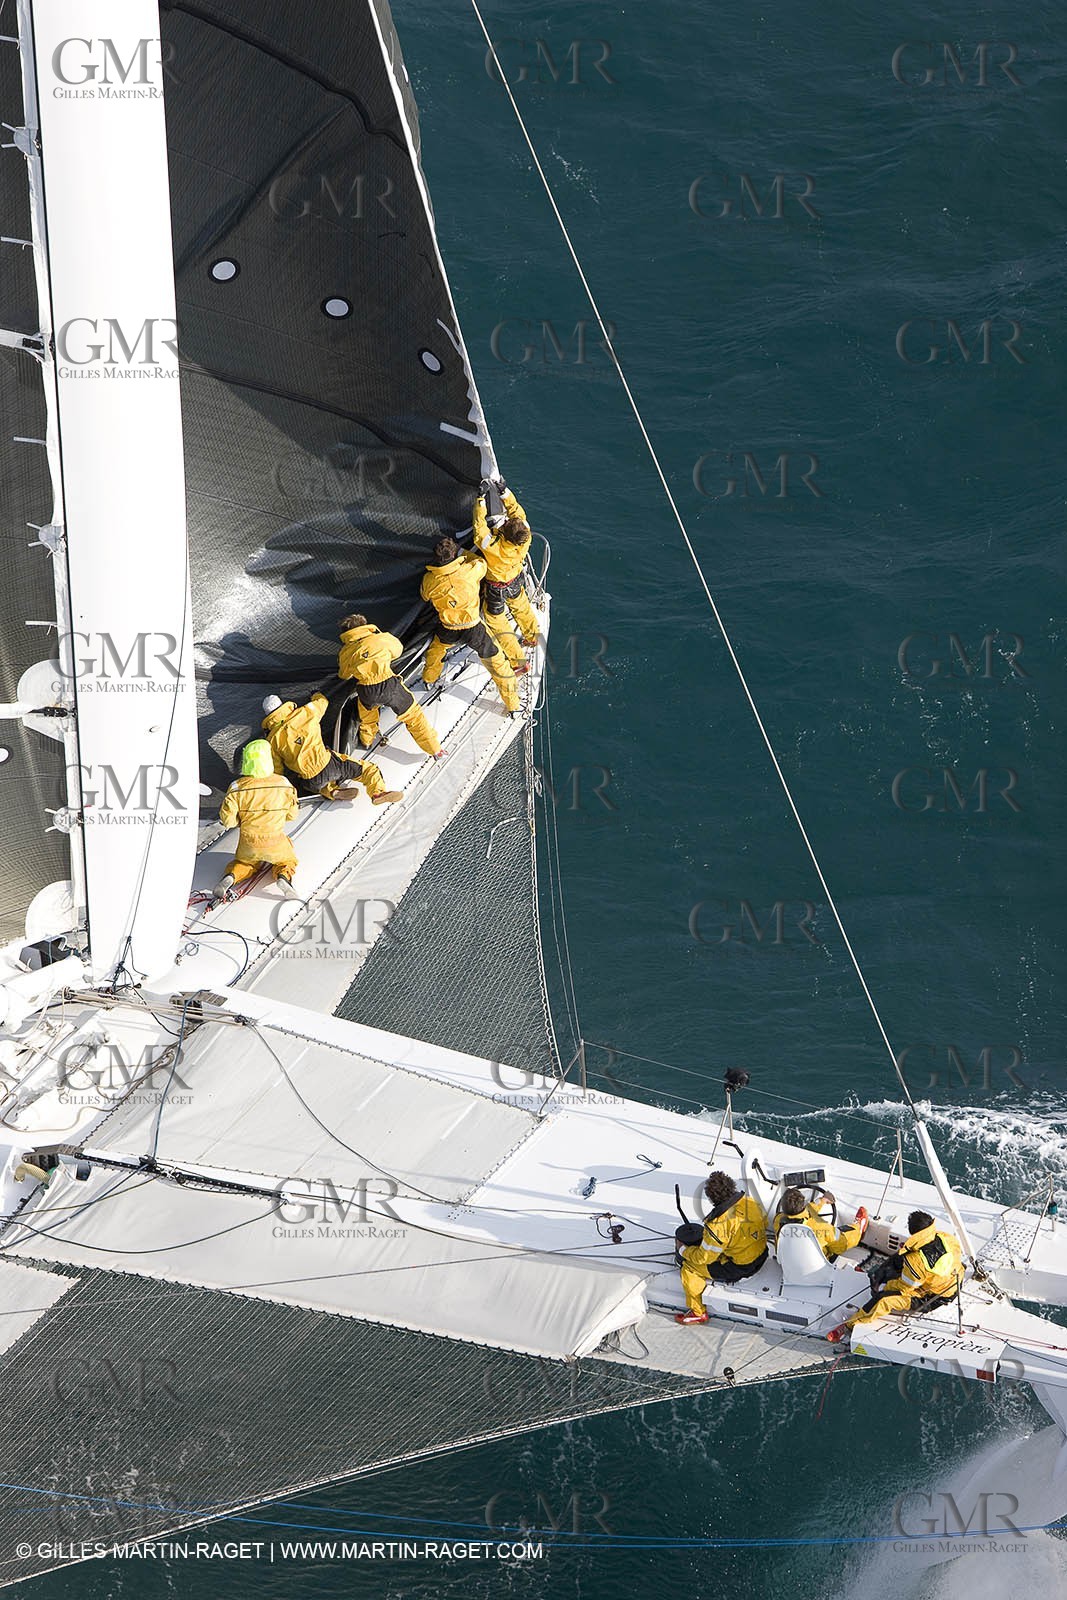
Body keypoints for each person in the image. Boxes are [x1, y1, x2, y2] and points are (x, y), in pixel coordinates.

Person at [420, 536, 523, 713]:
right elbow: (481, 563)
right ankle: (513, 705)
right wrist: (463, 553)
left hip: (448, 627)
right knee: (498, 663)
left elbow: (425, 596)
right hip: (473, 628)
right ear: (455, 555)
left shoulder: (429, 580)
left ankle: (429, 679)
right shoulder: (471, 570)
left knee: (436, 650)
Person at [827, 1210, 963, 1342]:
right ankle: (882, 1275)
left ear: (913, 1233)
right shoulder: (945, 1237)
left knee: (883, 1300)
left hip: (934, 1297)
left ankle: (851, 1324)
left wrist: (882, 1286)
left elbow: (905, 1289)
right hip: (954, 1279)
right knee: (899, 1258)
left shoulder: (916, 1262)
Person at [261, 693, 403, 806]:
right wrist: (316, 694)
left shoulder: (271, 741)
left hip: (310, 780)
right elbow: (323, 702)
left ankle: (332, 792)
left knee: (321, 784)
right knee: (367, 770)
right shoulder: (304, 713)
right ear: (283, 705)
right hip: (328, 764)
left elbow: (277, 770)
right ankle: (377, 793)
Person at [336, 615, 444, 757]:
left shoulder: (345, 652)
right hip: (389, 685)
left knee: (367, 718)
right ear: (364, 625)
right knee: (413, 717)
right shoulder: (381, 638)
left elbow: (344, 674)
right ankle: (435, 749)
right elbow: (397, 650)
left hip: (366, 690)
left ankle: (367, 741)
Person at [675, 1171, 769, 1324]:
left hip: (742, 1268)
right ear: (732, 1187)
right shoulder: (751, 1203)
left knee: (690, 1267)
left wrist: (683, 1250)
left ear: (711, 1198)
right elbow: (764, 1225)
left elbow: (703, 1258)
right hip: (762, 1255)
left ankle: (698, 1312)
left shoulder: (717, 1225)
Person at [214, 739, 300, 901]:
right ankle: (283, 878)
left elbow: (228, 822)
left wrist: (243, 821)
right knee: (287, 860)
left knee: (245, 863)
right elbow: (292, 815)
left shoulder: (236, 787)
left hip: (248, 843)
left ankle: (232, 877)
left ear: (246, 761)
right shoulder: (284, 784)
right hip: (275, 842)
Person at [473, 477, 540, 658]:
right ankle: (533, 637)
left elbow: (479, 529)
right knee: (522, 608)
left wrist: (480, 499)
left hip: (496, 589)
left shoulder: (492, 546)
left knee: (496, 621)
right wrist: (504, 492)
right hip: (515, 580)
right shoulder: (524, 537)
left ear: (505, 533)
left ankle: (518, 661)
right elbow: (517, 514)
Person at [774, 1188, 869, 1260]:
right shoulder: (822, 1227)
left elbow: (802, 1215)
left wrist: (822, 1201)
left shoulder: (778, 1220)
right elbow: (842, 1245)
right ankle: (858, 1227)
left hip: (788, 1265)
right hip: (815, 1266)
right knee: (841, 1236)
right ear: (803, 1205)